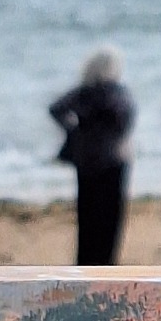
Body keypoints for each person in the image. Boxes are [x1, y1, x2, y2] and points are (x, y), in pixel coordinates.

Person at [50, 50, 135, 265]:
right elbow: (125, 121)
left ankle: (86, 262)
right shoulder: (117, 93)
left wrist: (75, 129)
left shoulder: (85, 92)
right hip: (112, 161)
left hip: (86, 159)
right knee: (110, 219)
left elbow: (57, 108)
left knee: (87, 217)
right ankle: (106, 263)